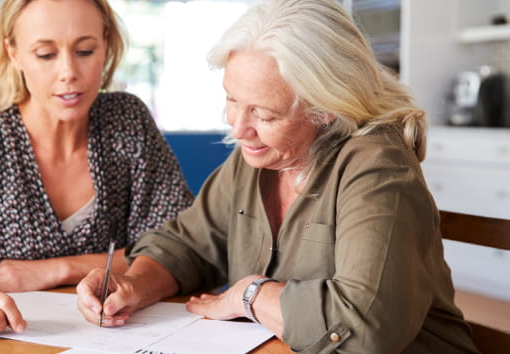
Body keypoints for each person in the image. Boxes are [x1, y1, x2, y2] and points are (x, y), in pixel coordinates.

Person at [76, 0, 479, 352]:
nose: (239, 128)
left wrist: (250, 295)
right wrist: (134, 284)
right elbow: (189, 245)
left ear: (327, 109)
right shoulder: (256, 158)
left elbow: (365, 328)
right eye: (231, 100)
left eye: (265, 115)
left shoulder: (377, 167)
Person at [0, 0, 193, 341]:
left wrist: (51, 270)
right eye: (45, 54)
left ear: (106, 44)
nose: (68, 72)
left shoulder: (127, 121)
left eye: (84, 50)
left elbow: (182, 249)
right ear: (14, 53)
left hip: (124, 339)